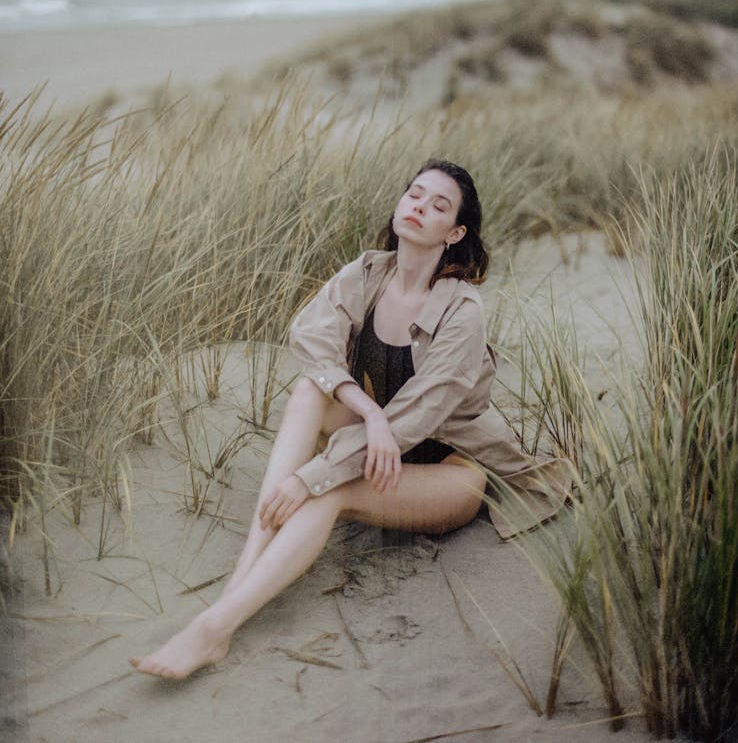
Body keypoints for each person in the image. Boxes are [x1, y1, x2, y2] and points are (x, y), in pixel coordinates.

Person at [130, 159, 571, 680]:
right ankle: (240, 584)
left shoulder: (462, 312)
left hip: (453, 472)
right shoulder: (367, 273)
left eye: (438, 205)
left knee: (327, 491)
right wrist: (366, 410)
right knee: (306, 394)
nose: (419, 207)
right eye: (414, 194)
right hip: (379, 439)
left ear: (454, 233)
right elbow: (312, 343)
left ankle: (213, 629)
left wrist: (310, 476)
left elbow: (419, 415)